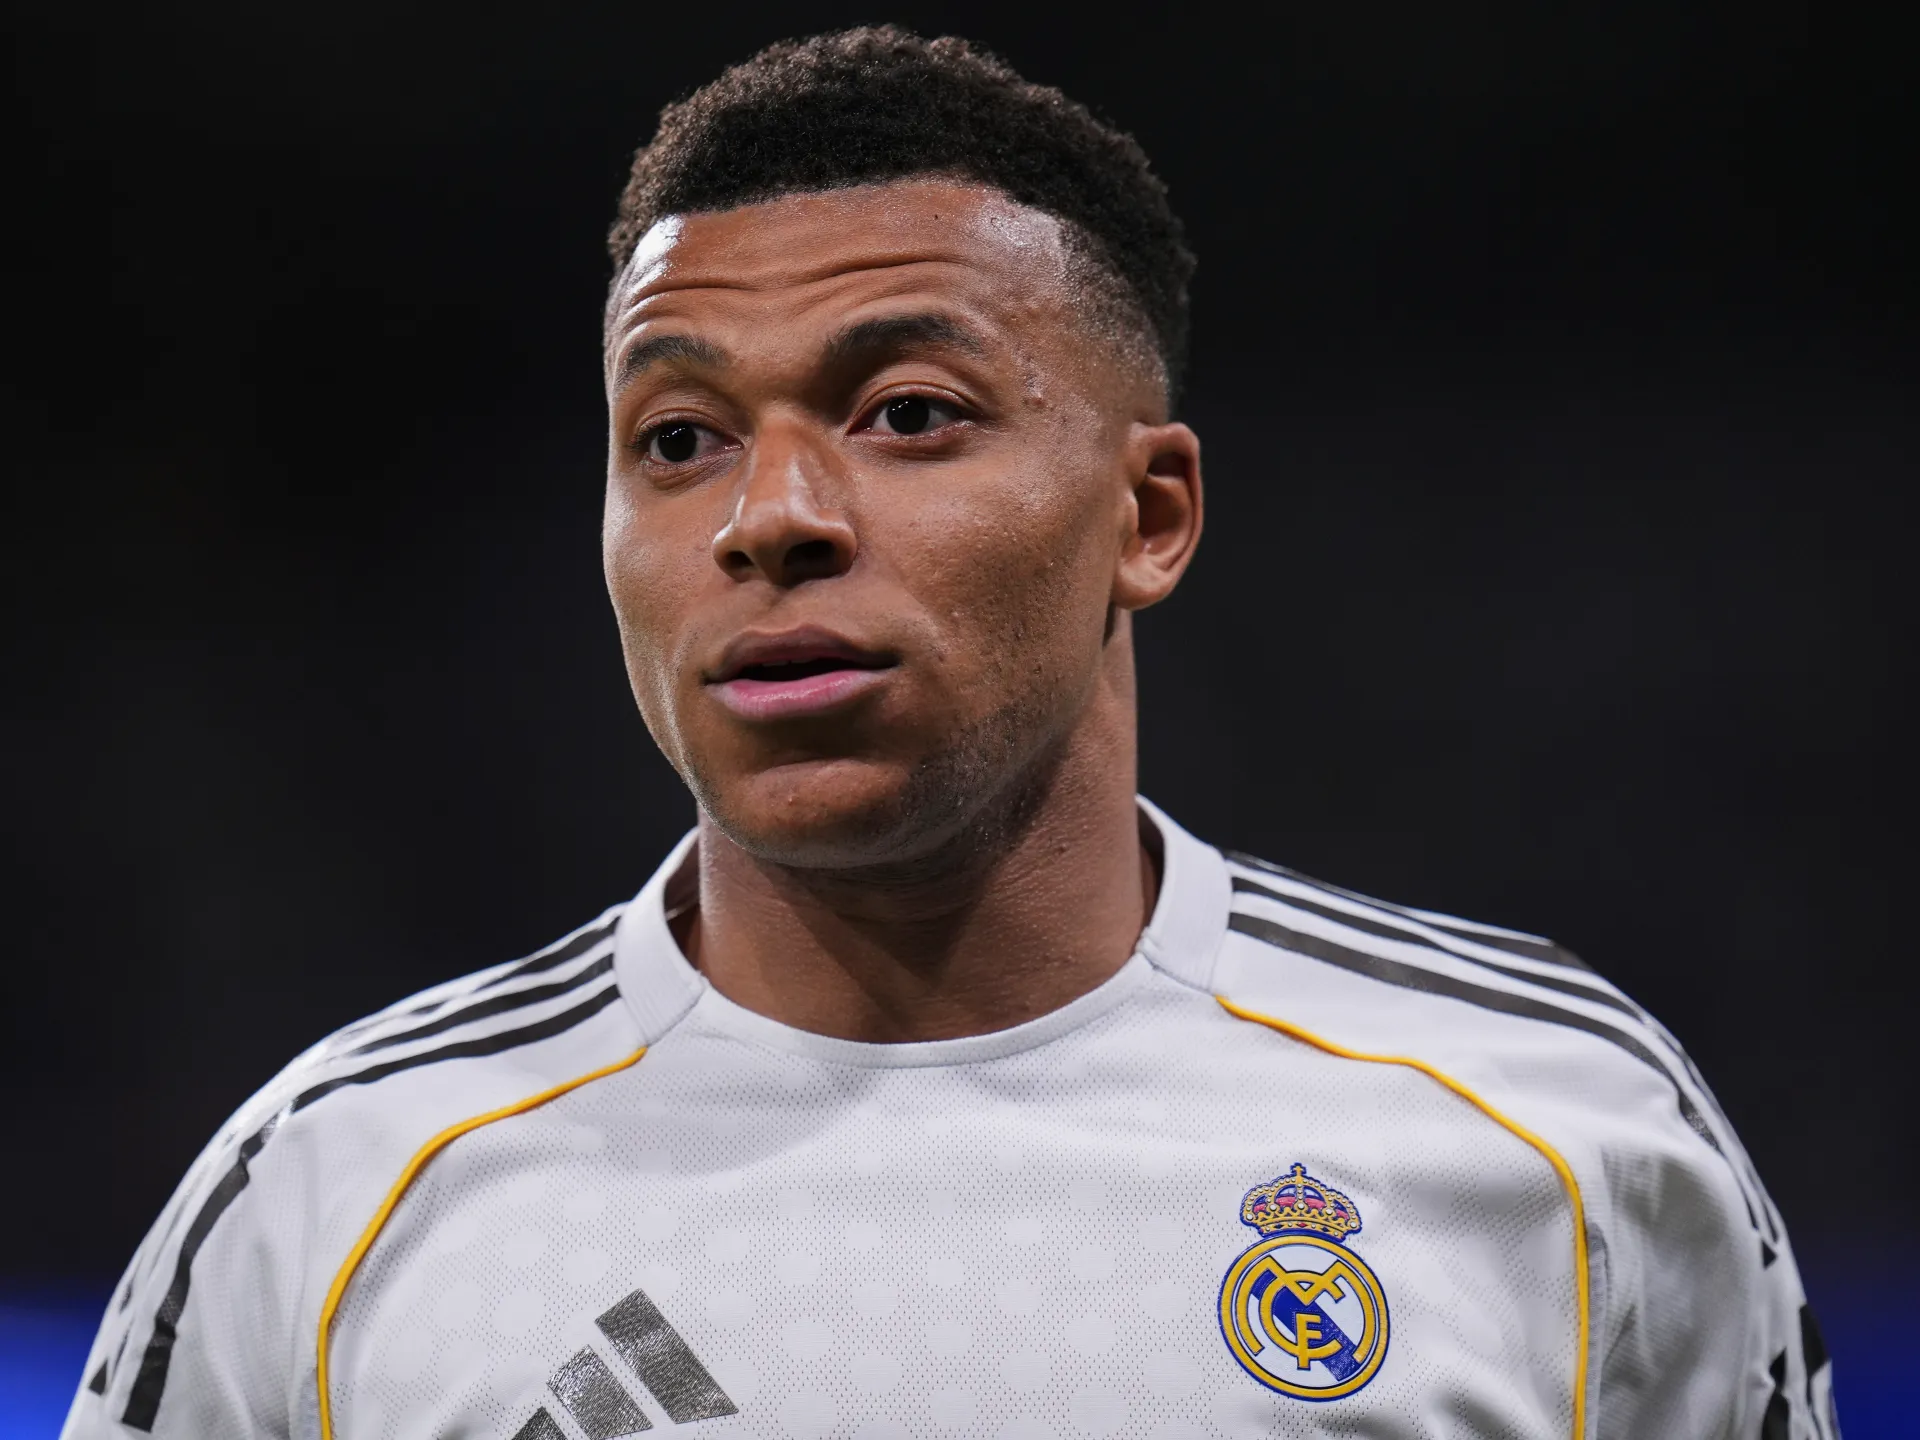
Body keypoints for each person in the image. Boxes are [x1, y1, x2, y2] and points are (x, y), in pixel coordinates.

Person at [64, 27, 1836, 1440]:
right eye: (677, 440)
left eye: (908, 412)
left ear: (1149, 514)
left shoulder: (1559, 1139)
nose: (769, 516)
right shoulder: (335, 1197)